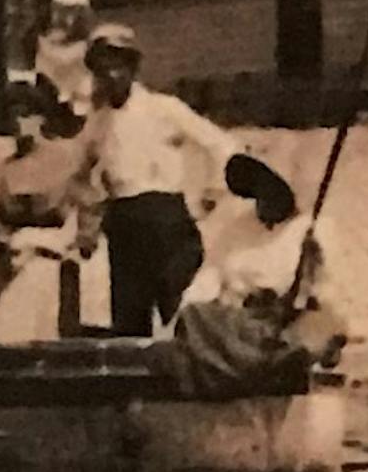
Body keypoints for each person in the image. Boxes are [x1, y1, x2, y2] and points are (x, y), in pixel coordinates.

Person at [68, 23, 240, 337]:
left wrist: (212, 192)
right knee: (130, 322)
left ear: (133, 67)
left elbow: (221, 144)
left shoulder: (163, 108)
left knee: (182, 312)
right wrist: (88, 223)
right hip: (123, 225)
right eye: (103, 67)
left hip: (166, 222)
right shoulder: (98, 121)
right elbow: (79, 177)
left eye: (119, 66)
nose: (111, 75)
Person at [158, 154, 346, 401]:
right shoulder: (238, 227)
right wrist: (174, 325)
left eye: (276, 189)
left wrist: (309, 282)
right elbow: (208, 278)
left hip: (284, 323)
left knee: (306, 335)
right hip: (238, 323)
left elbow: (328, 292)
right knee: (196, 316)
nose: (268, 196)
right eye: (262, 186)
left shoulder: (314, 230)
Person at [0, 76, 86, 339]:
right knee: (5, 325)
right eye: (12, 117)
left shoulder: (66, 160)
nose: (18, 123)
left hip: (55, 255)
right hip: (13, 257)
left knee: (51, 327)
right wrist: (8, 244)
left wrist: (69, 240)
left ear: (41, 118)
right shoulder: (3, 171)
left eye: (25, 115)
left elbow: (86, 206)